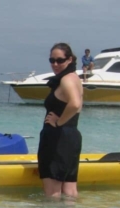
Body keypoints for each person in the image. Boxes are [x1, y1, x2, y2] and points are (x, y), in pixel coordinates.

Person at [38, 43, 83, 199]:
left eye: (60, 60)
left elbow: (75, 104)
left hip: (58, 138)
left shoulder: (66, 80)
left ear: (69, 59)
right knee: (70, 191)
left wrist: (58, 122)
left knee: (52, 193)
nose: (55, 64)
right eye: (52, 60)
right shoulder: (74, 78)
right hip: (71, 137)